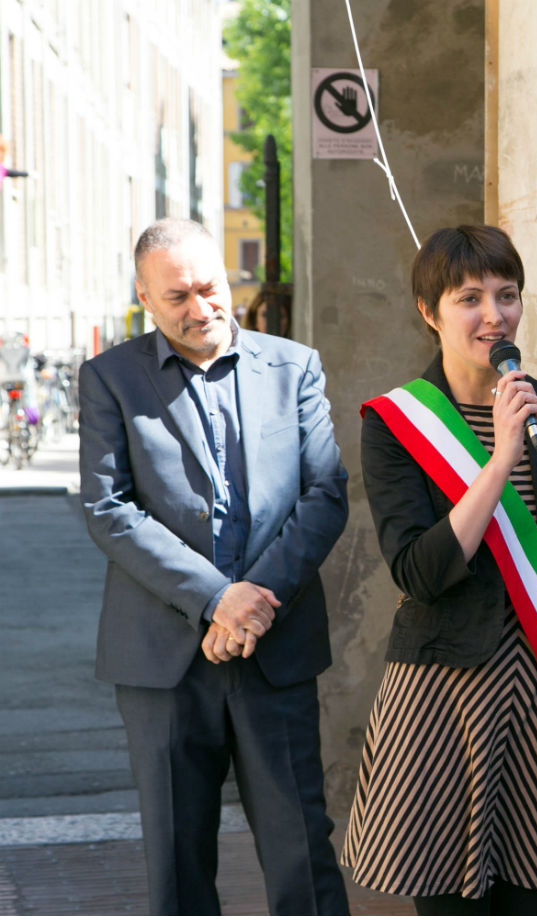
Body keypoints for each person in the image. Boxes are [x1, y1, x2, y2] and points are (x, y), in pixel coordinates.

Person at [340, 224, 537, 916]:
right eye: (469, 298)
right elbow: (419, 571)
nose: (493, 316)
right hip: (442, 705)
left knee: (535, 899)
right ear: (429, 311)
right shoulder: (394, 423)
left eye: (507, 296)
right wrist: (500, 459)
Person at [78, 218, 350, 914]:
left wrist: (257, 597)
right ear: (144, 296)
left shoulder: (295, 367)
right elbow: (109, 509)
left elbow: (324, 494)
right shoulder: (110, 379)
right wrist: (215, 599)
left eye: (210, 287)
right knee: (178, 860)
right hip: (162, 661)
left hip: (275, 648)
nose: (201, 309)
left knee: (302, 856)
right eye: (178, 297)